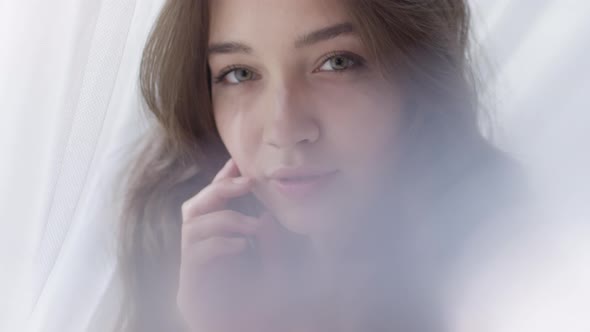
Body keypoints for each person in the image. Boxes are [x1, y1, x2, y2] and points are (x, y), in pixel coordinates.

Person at [116, 0, 522, 331]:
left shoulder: (513, 263)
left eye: (337, 63)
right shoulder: (173, 235)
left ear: (418, 73)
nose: (284, 129)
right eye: (239, 73)